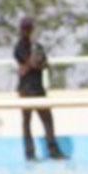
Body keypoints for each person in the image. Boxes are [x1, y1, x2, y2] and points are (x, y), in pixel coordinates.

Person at [14, 16, 64, 160]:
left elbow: (43, 64)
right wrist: (32, 61)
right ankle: (30, 153)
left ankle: (53, 150)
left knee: (47, 119)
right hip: (25, 89)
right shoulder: (20, 47)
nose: (28, 31)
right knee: (27, 122)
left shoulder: (38, 46)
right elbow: (29, 64)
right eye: (26, 28)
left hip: (38, 88)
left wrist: (31, 63)